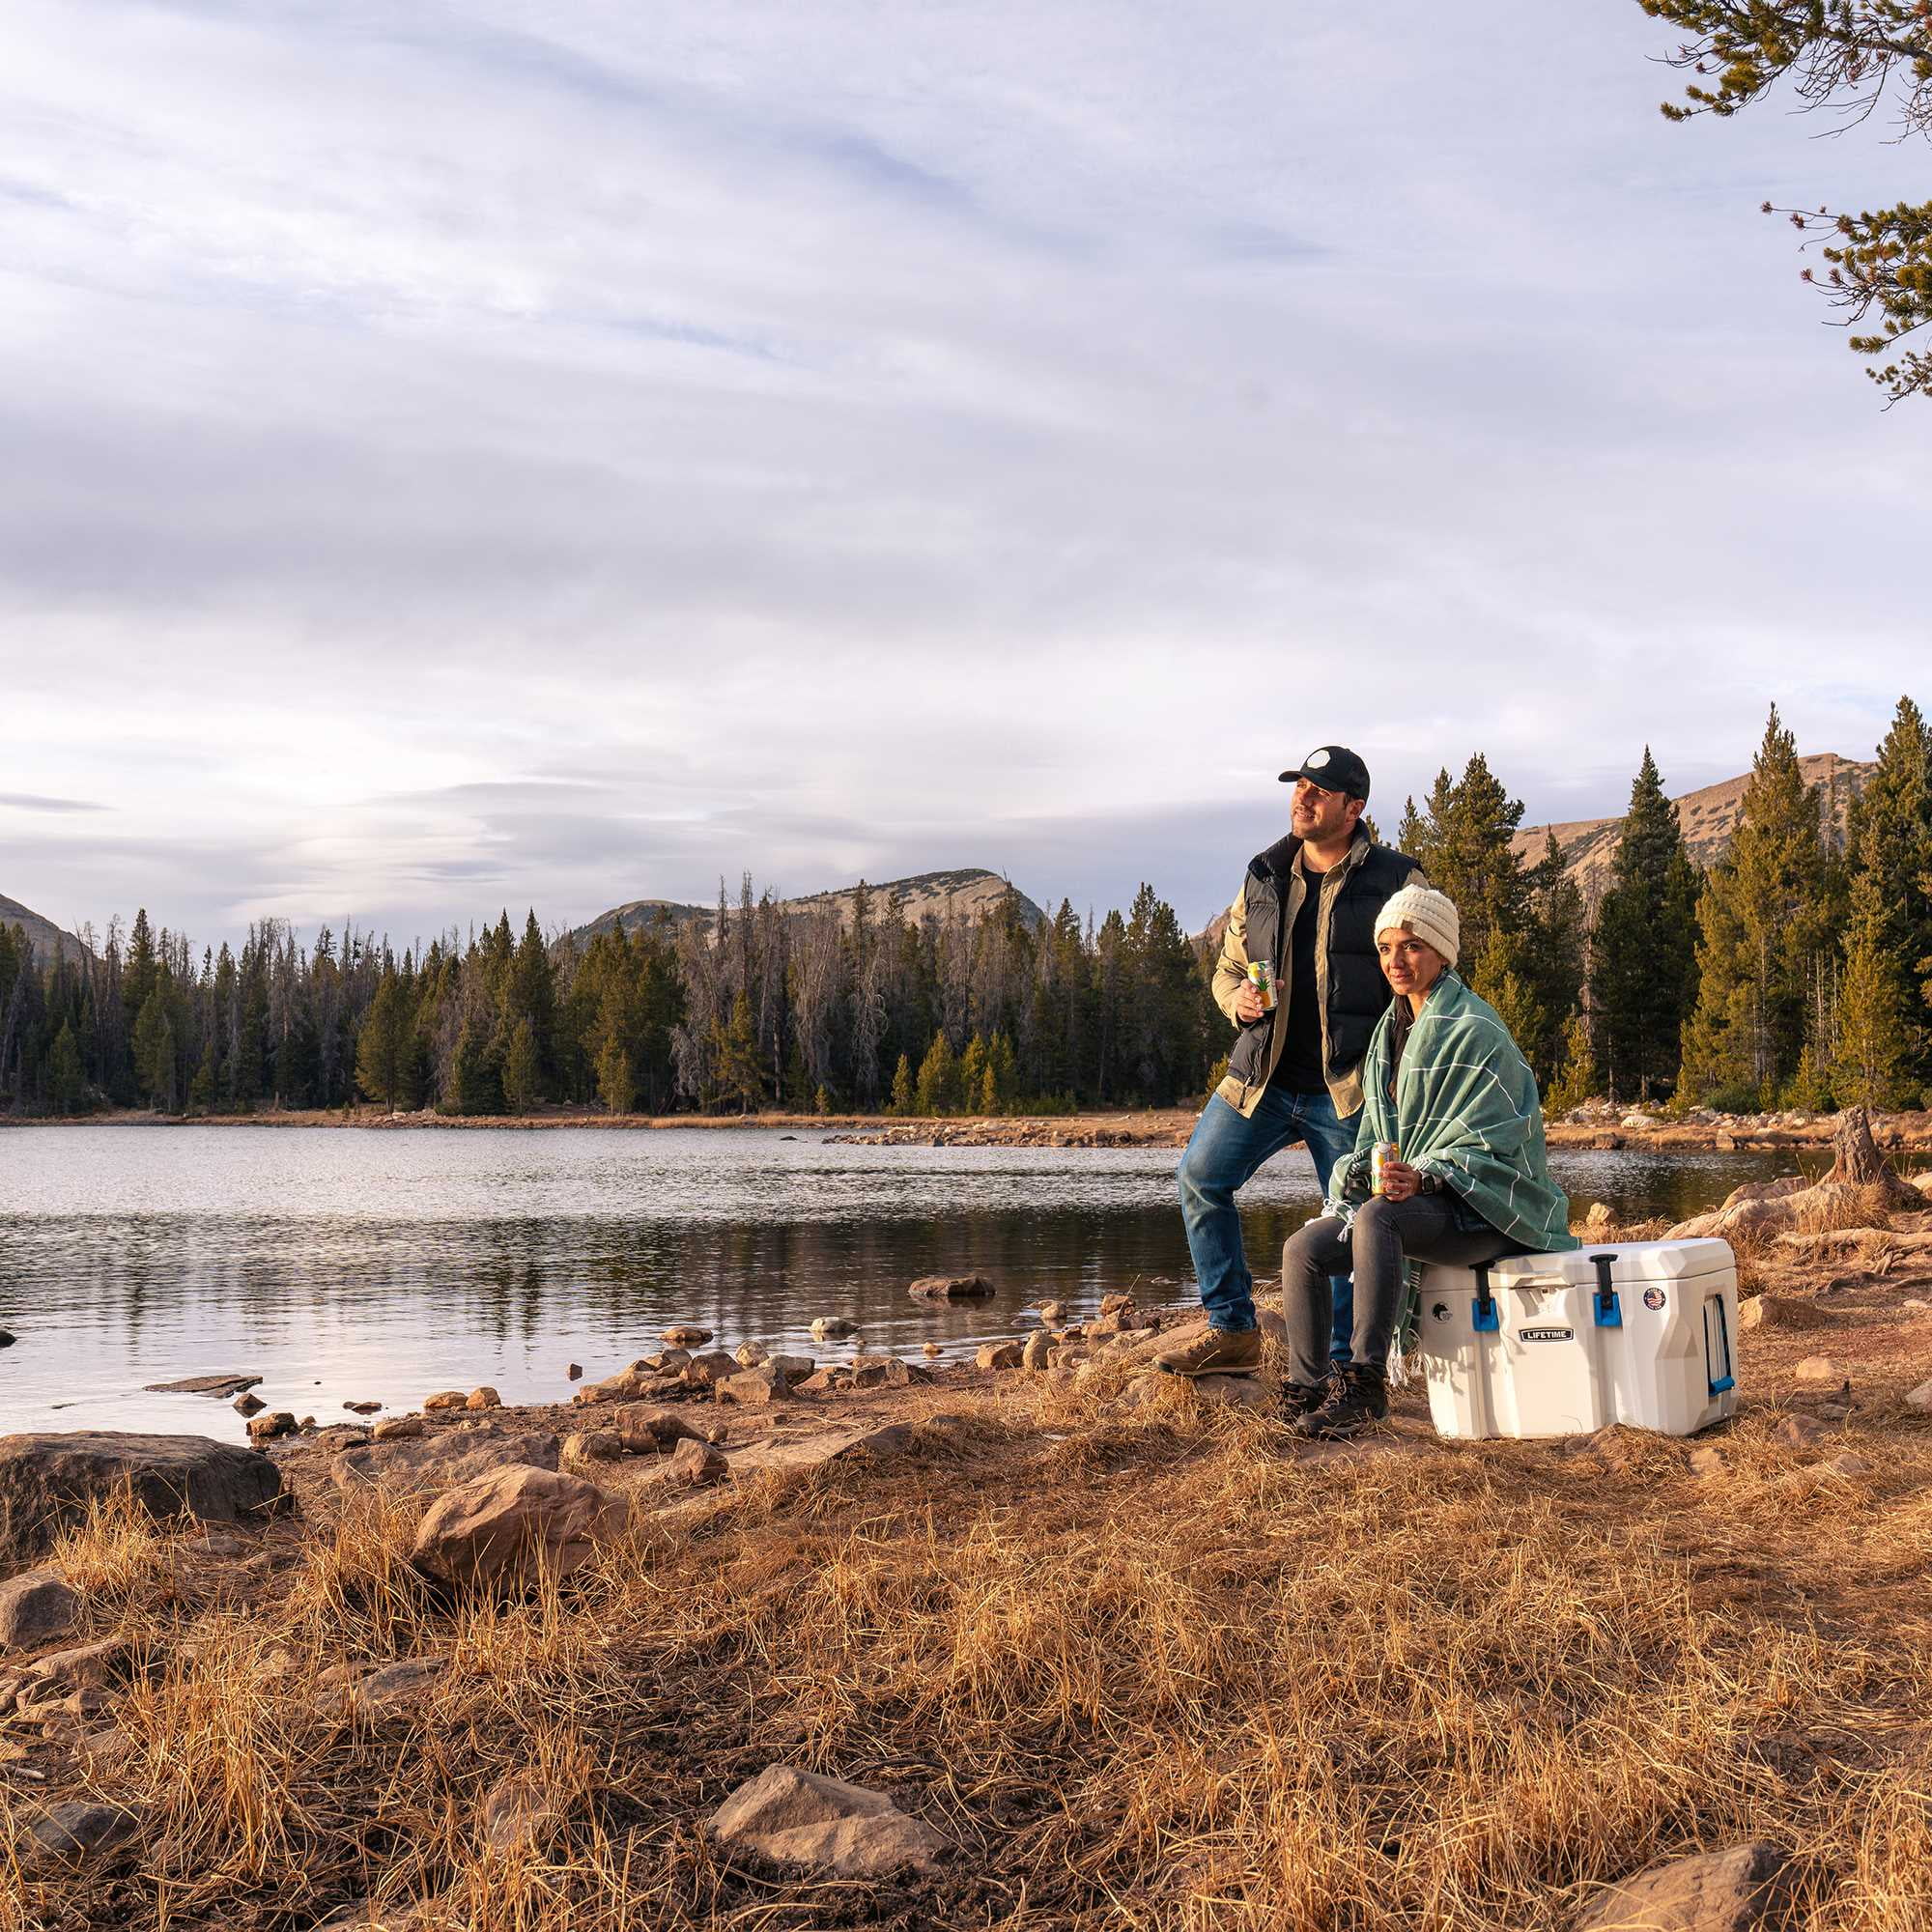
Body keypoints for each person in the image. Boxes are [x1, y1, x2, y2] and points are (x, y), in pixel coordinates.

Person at [1155, 746, 1423, 1378]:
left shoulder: (1397, 879)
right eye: (1298, 787)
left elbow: (1423, 982)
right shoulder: (1265, 874)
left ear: (1354, 807)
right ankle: (1233, 1331)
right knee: (1199, 1179)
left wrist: (1406, 1077)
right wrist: (1238, 1002)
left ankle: (1339, 1367)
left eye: (1319, 792)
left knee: (1352, 1222)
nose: (1301, 800)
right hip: (1261, 1079)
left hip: (1353, 1089)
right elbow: (1227, 968)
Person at [1277, 884, 1578, 1438]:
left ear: (1442, 952)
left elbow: (1500, 1137)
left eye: (1412, 946)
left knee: (1377, 1219)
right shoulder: (1388, 1036)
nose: (1397, 960)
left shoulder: (1476, 1030)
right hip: (1412, 1201)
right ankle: (1307, 1388)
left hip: (1486, 1211)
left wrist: (1428, 1176)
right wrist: (1373, 1170)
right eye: (1387, 947)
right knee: (1304, 1250)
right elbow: (1374, 1135)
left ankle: (1365, 1386)